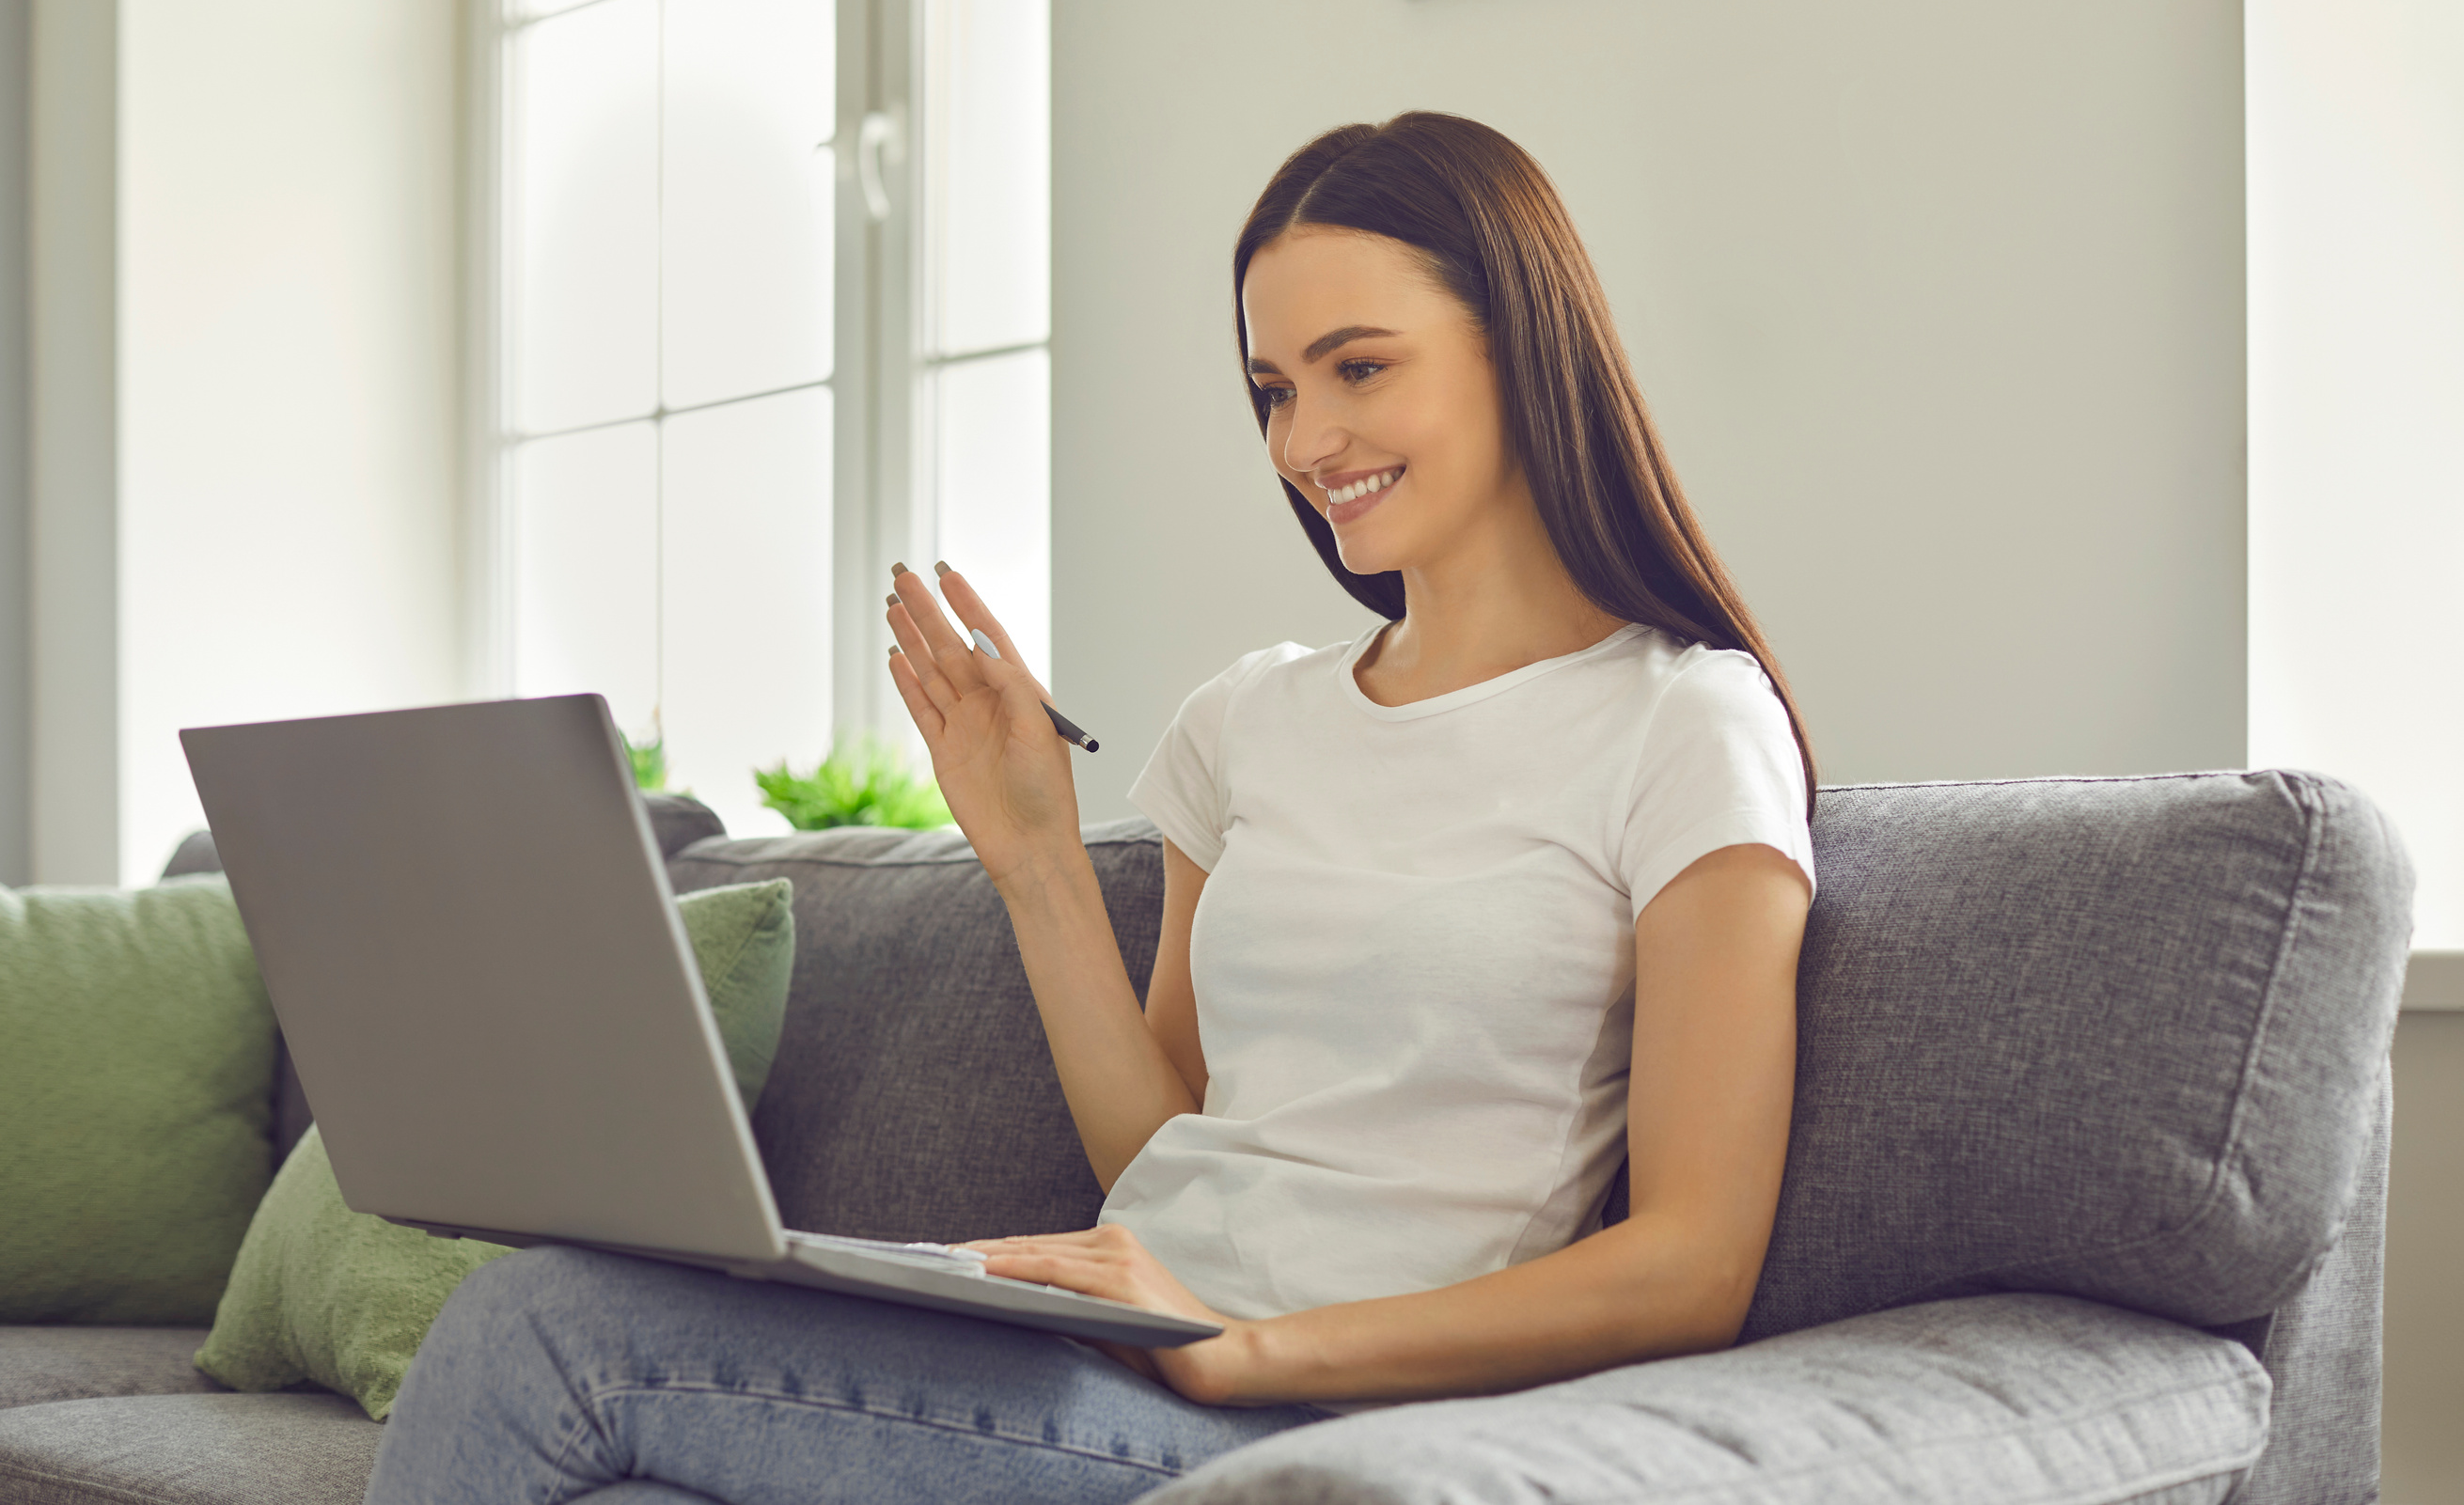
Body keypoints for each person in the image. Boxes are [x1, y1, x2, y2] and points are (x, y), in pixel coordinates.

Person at [366, 111, 1817, 1505]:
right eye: (1272, 390)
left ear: (1522, 347)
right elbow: (1162, 1154)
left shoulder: (1682, 723)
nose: (1303, 442)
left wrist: (1245, 1351)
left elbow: (1692, 1263)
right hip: (1108, 1346)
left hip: (1317, 1413)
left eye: (1357, 368)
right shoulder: (1251, 720)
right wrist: (1037, 861)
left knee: (538, 1332)